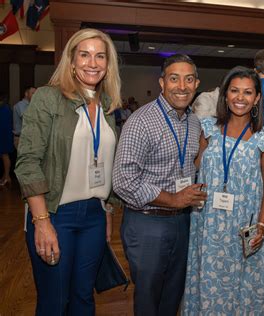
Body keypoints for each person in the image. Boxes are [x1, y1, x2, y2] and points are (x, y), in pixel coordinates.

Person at [14, 28, 121, 315]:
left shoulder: (109, 107)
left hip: (94, 216)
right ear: (71, 61)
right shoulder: (48, 98)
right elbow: (27, 162)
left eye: (100, 56)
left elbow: (106, 164)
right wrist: (41, 221)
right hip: (54, 213)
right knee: (54, 301)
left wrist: (106, 210)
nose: (93, 62)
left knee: (84, 298)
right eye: (84, 54)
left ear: (108, 65)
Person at [112, 54, 206, 316]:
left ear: (196, 84)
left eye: (189, 79)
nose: (182, 86)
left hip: (183, 221)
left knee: (172, 296)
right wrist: (173, 198)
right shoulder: (141, 121)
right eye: (174, 79)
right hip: (147, 223)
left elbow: (190, 164)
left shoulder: (193, 122)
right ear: (162, 83)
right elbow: (123, 181)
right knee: (149, 299)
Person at [182, 66, 264, 315]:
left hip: (243, 227)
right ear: (225, 95)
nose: (240, 97)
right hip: (208, 223)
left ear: (257, 98)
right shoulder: (208, 129)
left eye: (247, 92)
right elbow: (195, 169)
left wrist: (262, 226)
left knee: (241, 288)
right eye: (234, 90)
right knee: (207, 283)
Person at [0, 93, 14, 186]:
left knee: (4, 155)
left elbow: (3, 125)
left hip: (4, 135)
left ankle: (6, 176)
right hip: (4, 135)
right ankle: (6, 176)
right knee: (4, 155)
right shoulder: (5, 108)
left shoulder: (4, 109)